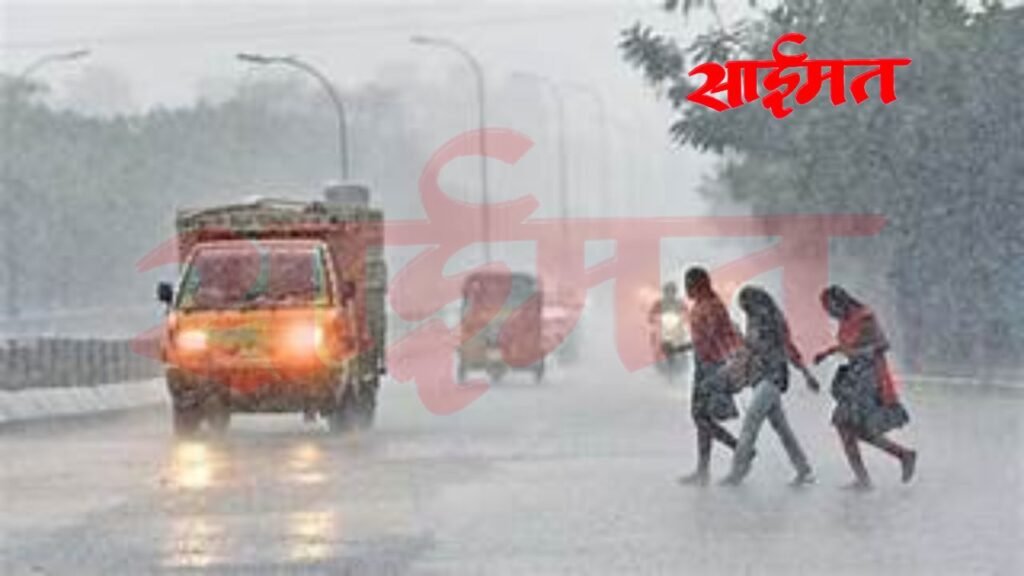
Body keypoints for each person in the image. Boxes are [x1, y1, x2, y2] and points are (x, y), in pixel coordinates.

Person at [815, 285, 917, 490]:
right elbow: (849, 345)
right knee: (850, 428)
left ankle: (873, 474)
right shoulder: (846, 320)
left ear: (839, 302)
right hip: (855, 376)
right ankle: (900, 456)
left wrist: (854, 353)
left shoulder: (864, 317)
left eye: (829, 308)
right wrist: (828, 352)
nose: (829, 313)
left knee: (847, 425)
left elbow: (880, 344)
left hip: (868, 378)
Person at [718, 286, 820, 486]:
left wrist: (806, 374)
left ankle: (737, 471)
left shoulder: (772, 320)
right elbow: (751, 347)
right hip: (760, 378)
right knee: (782, 428)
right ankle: (804, 469)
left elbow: (788, 347)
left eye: (745, 304)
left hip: (772, 377)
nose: (744, 309)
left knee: (751, 423)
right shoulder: (754, 319)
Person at [676, 268, 744, 486]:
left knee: (700, 416)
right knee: (703, 417)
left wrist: (679, 348)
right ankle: (703, 469)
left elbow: (710, 337)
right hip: (704, 365)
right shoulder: (700, 305)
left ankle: (741, 448)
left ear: (700, 284)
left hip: (713, 366)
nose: (686, 289)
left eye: (689, 284)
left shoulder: (713, 307)